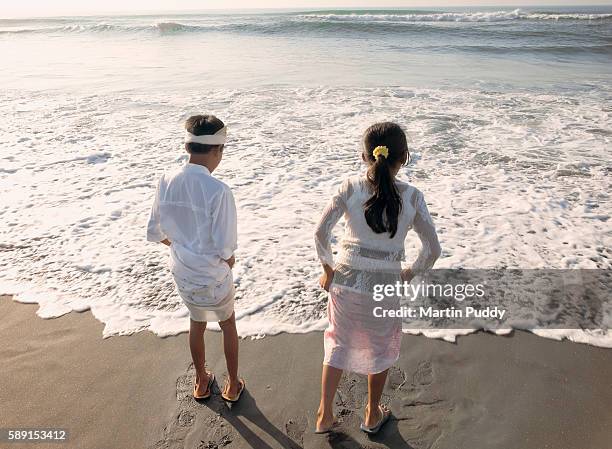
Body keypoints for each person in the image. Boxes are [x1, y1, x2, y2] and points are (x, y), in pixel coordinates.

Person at [313, 122, 441, 434]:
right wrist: (408, 274)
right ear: (404, 157)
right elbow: (432, 250)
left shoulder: (349, 187)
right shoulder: (412, 197)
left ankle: (324, 415)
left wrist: (328, 269)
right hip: (384, 286)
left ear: (364, 156)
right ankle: (371, 414)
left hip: (344, 281)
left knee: (337, 344)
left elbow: (320, 233)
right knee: (380, 348)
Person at [147, 114, 245, 402]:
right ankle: (232, 385)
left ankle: (202, 381)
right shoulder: (219, 191)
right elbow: (225, 246)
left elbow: (155, 233)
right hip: (212, 275)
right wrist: (228, 261)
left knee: (196, 322)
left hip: (183, 272)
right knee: (227, 324)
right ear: (217, 150)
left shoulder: (166, 180)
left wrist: (180, 246)